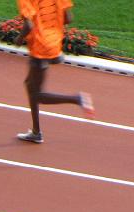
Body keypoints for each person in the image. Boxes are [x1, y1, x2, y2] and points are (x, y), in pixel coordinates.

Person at [15, 0, 95, 143]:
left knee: (37, 94)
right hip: (54, 44)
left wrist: (19, 39)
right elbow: (68, 18)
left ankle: (77, 99)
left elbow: (28, 25)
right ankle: (36, 132)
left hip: (40, 47)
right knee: (29, 84)